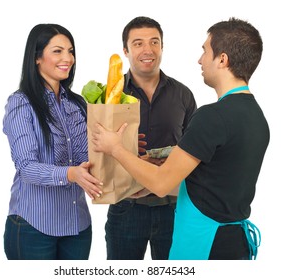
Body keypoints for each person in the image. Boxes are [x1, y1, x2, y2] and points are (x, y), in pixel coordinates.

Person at [92, 17, 270, 260]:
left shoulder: (212, 116)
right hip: (233, 242)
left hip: (205, 245)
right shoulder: (256, 115)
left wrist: (116, 149)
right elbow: (210, 182)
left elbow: (162, 183)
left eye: (205, 51)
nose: (200, 59)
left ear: (222, 59)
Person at [2, 23, 103, 260]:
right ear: (37, 57)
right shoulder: (21, 103)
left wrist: (119, 148)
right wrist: (70, 174)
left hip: (78, 226)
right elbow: (26, 168)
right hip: (33, 227)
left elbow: (85, 160)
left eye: (70, 51)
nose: (67, 58)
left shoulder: (77, 104)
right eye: (57, 51)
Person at [104, 16, 197, 260]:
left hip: (173, 208)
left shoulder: (183, 95)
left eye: (154, 42)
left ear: (162, 47)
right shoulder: (110, 97)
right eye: (138, 43)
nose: (148, 50)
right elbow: (99, 149)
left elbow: (194, 153)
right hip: (125, 208)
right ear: (125, 50)